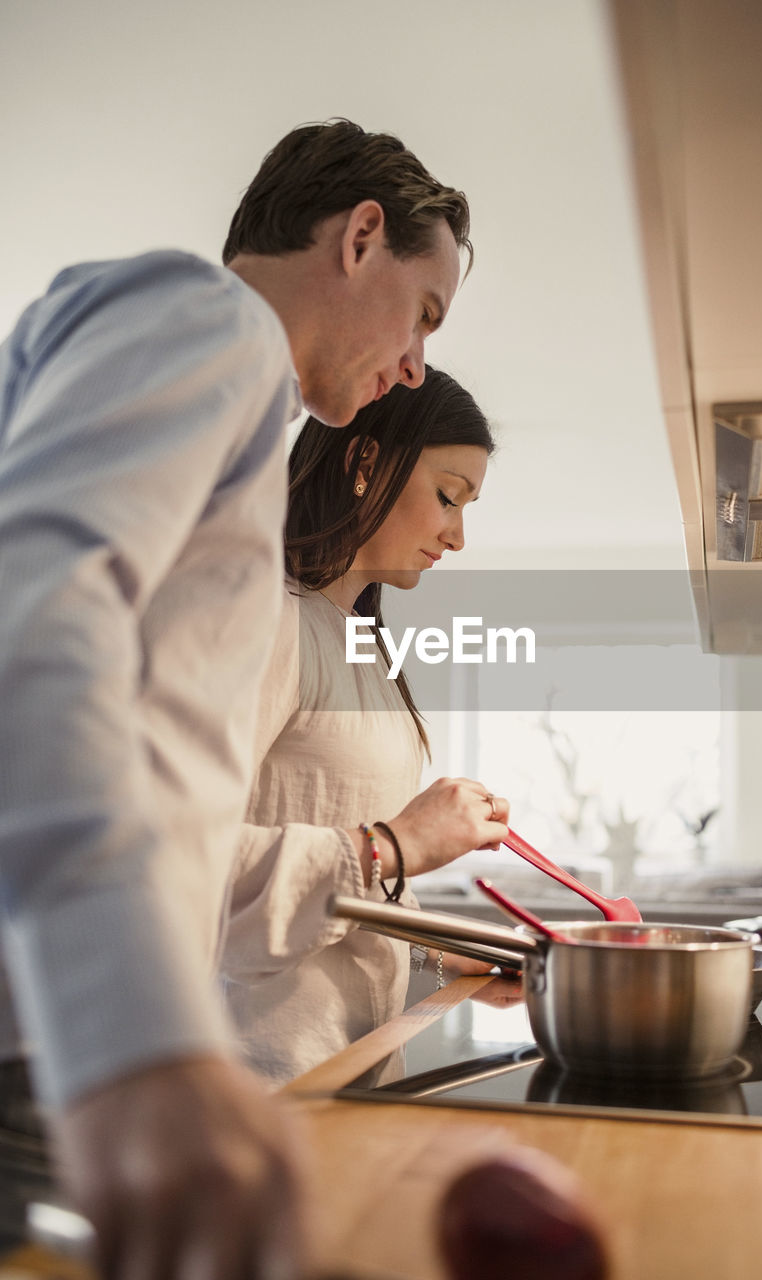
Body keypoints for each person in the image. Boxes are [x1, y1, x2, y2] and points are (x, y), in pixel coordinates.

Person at [0, 119, 473, 1279]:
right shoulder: (202, 319)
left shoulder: (233, 401)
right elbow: (30, 620)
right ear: (361, 236)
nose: (415, 365)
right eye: (424, 311)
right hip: (54, 1051)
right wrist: (134, 1045)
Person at [220, 366, 509, 1084]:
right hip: (260, 1088)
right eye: (448, 496)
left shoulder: (362, 644)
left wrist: (440, 950)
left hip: (354, 1070)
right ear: (364, 461)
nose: (458, 534)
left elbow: (355, 900)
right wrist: (400, 841)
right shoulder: (266, 618)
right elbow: (188, 868)